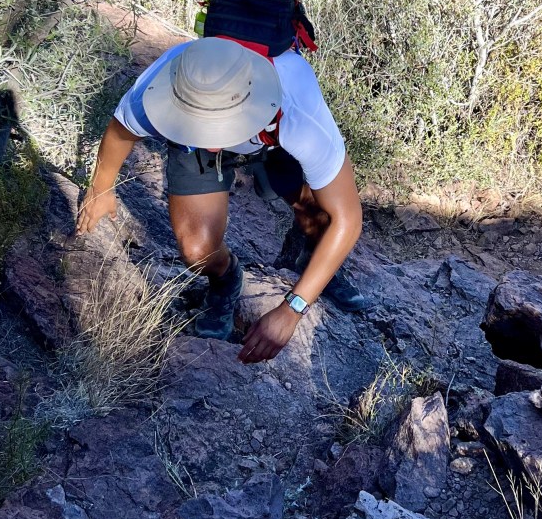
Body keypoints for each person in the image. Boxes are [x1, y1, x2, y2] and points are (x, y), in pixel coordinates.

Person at [75, 22, 371, 364]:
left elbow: (347, 219)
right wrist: (100, 189)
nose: (213, 142)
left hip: (271, 134)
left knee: (315, 214)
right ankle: (226, 279)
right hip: (197, 133)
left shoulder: (297, 112)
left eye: (219, 125)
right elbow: (121, 130)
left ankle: (313, 254)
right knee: (196, 250)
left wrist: (293, 308)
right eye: (203, 125)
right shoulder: (161, 89)